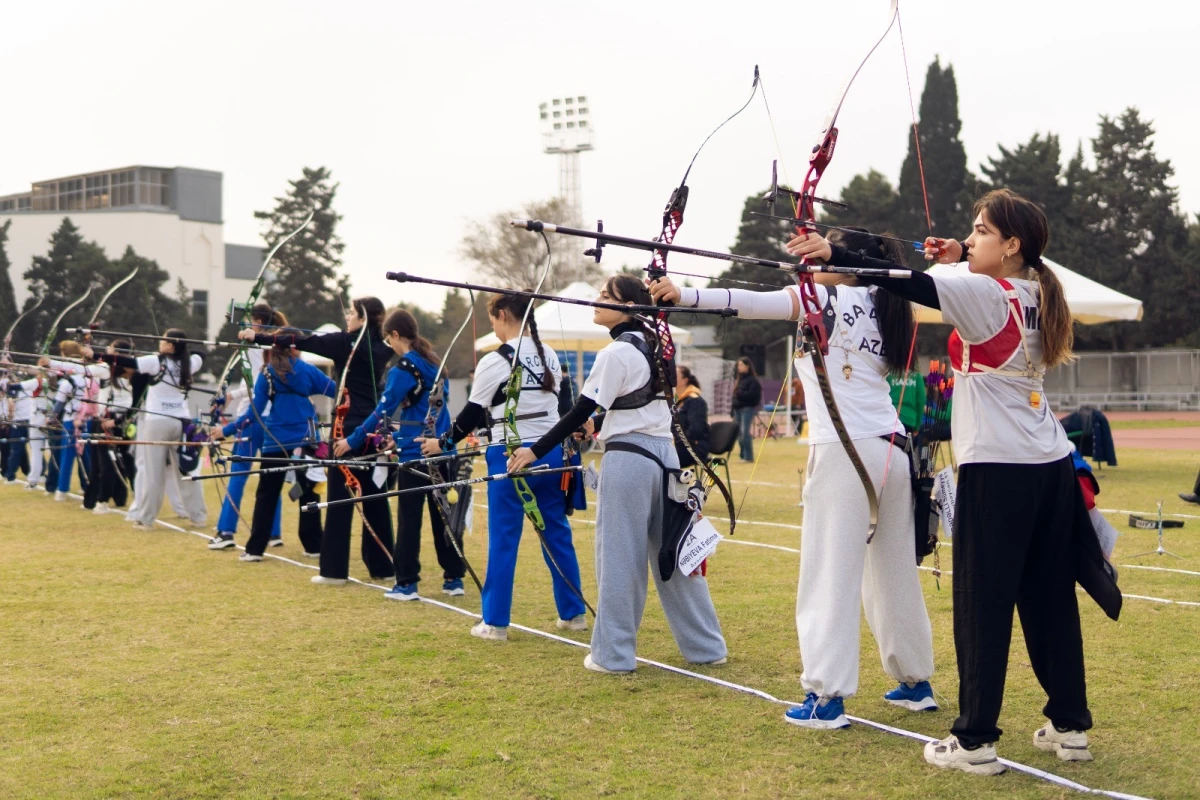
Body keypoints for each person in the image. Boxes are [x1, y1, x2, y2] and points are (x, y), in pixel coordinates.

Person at [788, 189, 1121, 774]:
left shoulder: (984, 292)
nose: (970, 238)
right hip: (1050, 468)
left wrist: (838, 252)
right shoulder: (1037, 288)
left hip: (1000, 472)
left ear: (1011, 246)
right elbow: (937, 275)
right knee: (1050, 602)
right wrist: (955, 253)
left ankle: (973, 743)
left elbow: (905, 283)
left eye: (982, 231)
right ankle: (1070, 727)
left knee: (981, 606)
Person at [652, 228, 936, 730]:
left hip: (843, 451)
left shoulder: (821, 297)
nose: (812, 256)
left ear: (846, 262)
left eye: (825, 248)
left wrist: (685, 295)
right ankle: (916, 683)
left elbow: (748, 302)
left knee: (828, 573)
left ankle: (825, 697)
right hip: (892, 449)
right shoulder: (890, 301)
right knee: (893, 572)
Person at [509, 274, 727, 674]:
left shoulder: (615, 353)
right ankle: (707, 647)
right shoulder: (656, 346)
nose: (596, 301)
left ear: (628, 306)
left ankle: (613, 656)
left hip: (630, 461)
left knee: (619, 561)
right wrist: (598, 424)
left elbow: (580, 409)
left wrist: (535, 449)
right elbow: (629, 405)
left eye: (606, 296)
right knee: (675, 553)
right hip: (666, 462)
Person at [421, 293, 588, 640]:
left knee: (503, 538)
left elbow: (469, 415)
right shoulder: (550, 355)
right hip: (551, 454)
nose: (494, 328)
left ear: (502, 315)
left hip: (509, 455)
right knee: (556, 532)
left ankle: (495, 623)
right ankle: (573, 614)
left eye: (494, 321)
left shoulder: (495, 361)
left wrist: (442, 444)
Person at [247, 298, 396, 584]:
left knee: (339, 499)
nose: (348, 317)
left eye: (352, 313)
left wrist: (258, 336)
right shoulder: (382, 348)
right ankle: (384, 567)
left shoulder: (346, 343)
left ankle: (334, 571)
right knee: (374, 497)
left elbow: (302, 340)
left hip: (347, 428)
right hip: (372, 429)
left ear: (363, 319)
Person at [335, 309, 464, 600]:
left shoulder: (403, 369)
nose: (389, 346)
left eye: (389, 340)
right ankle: (454, 578)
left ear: (395, 335)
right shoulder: (434, 363)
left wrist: (353, 440)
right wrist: (397, 435)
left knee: (409, 519)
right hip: (442, 452)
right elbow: (426, 411)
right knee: (444, 515)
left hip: (415, 456)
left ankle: (406, 584)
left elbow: (383, 409)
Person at [212, 331, 335, 560]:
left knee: (267, 494)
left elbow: (254, 413)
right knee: (308, 494)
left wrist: (226, 431)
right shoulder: (306, 370)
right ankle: (314, 545)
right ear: (295, 347)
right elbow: (336, 389)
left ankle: (255, 549)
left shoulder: (267, 373)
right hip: (307, 441)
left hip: (276, 442)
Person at [87, 329, 207, 529]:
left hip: (157, 422)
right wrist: (183, 348)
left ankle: (145, 519)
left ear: (170, 346)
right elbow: (201, 353)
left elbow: (127, 362)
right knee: (186, 470)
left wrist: (97, 355)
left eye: (164, 341)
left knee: (153, 473)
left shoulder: (156, 361)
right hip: (182, 423)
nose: (160, 342)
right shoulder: (189, 363)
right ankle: (199, 517)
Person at [207, 304, 289, 552]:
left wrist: (245, 331)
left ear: (258, 322)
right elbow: (260, 384)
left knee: (237, 475)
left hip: (251, 419)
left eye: (252, 321)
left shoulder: (255, 344)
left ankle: (226, 531)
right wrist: (232, 395)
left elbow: (258, 384)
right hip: (272, 420)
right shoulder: (281, 346)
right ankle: (273, 533)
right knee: (270, 477)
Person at [673, 365, 709, 468]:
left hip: (693, 448)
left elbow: (695, 429)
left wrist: (677, 442)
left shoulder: (695, 401)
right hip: (678, 445)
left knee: (663, 458)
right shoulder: (676, 399)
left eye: (675, 375)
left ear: (685, 380)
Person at [731, 357, 761, 462]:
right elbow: (734, 396)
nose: (739, 367)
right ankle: (742, 455)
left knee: (745, 432)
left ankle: (749, 456)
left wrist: (741, 394)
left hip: (747, 409)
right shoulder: (739, 380)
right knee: (738, 434)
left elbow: (754, 395)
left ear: (747, 366)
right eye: (738, 365)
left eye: (741, 365)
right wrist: (732, 409)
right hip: (737, 409)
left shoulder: (753, 380)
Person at [887, 366, 926, 435]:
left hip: (890, 418)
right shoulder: (917, 376)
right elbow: (921, 402)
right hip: (909, 420)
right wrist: (917, 426)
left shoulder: (889, 374)